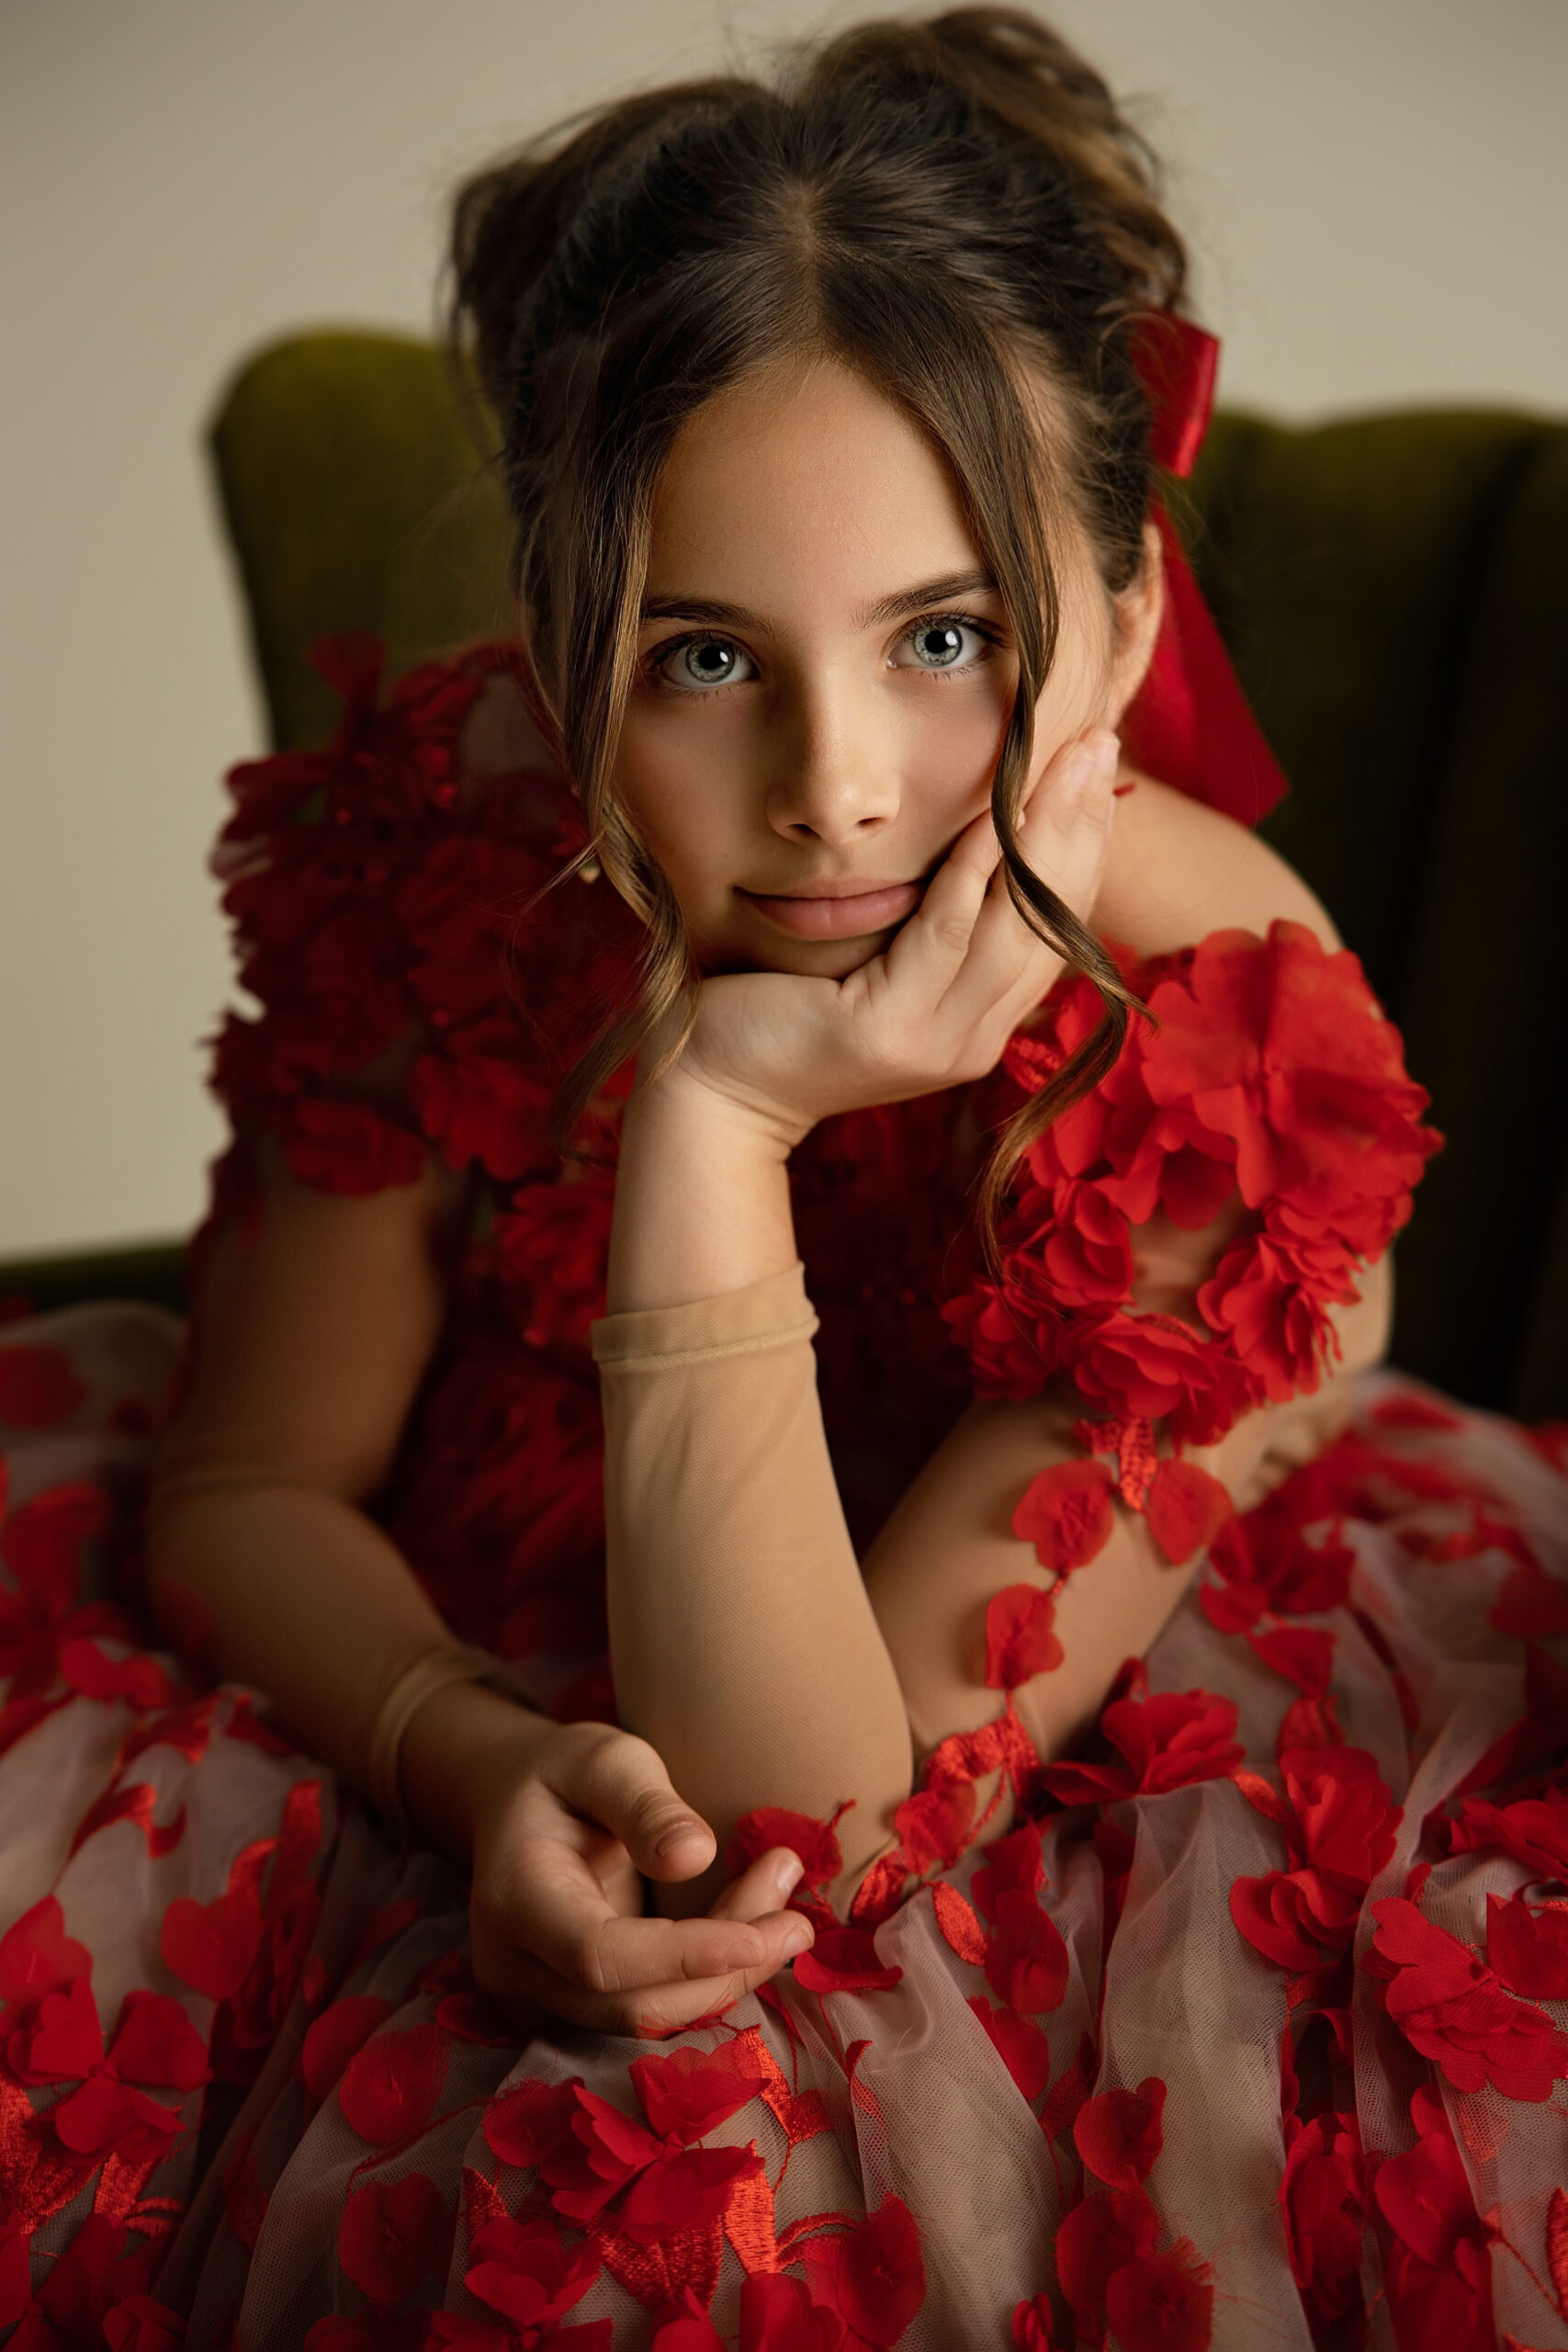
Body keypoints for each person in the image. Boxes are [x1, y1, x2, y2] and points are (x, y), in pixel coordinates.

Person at [0, 8, 1564, 2347]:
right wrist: (470, 1750)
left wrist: (715, 1123)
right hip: (473, 1646)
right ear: (553, 655)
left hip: (993, 1755)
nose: (834, 784)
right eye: (701, 656)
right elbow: (248, 1482)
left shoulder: (1222, 1031)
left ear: (1126, 620)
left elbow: (803, 1832)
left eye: (945, 638)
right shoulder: (460, 855)